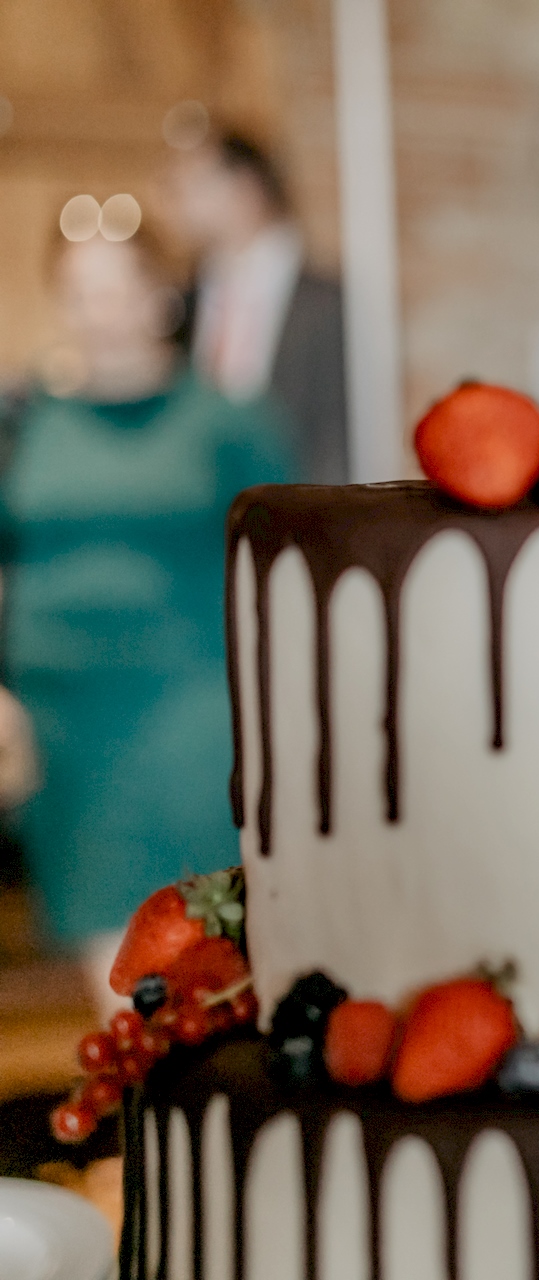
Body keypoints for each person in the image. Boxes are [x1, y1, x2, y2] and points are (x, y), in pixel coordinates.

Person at [3, 224, 289, 1013]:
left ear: (161, 298)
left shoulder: (226, 420)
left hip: (191, 712)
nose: (100, 311)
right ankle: (139, 1126)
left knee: (201, 940)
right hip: (64, 726)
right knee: (110, 958)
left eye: (118, 289)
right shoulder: (24, 419)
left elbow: (284, 557)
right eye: (81, 292)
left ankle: (199, 1124)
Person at [164, 131, 349, 484]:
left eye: (196, 184)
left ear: (247, 189)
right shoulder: (183, 300)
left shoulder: (324, 301)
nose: (179, 199)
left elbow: (337, 432)